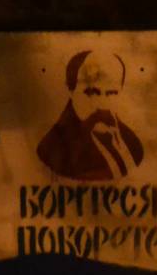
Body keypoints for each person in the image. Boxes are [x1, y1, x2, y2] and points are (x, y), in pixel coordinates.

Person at [36, 50, 144, 181]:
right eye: (92, 93)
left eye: (112, 93)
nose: (103, 105)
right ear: (70, 90)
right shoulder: (51, 149)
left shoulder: (133, 145)